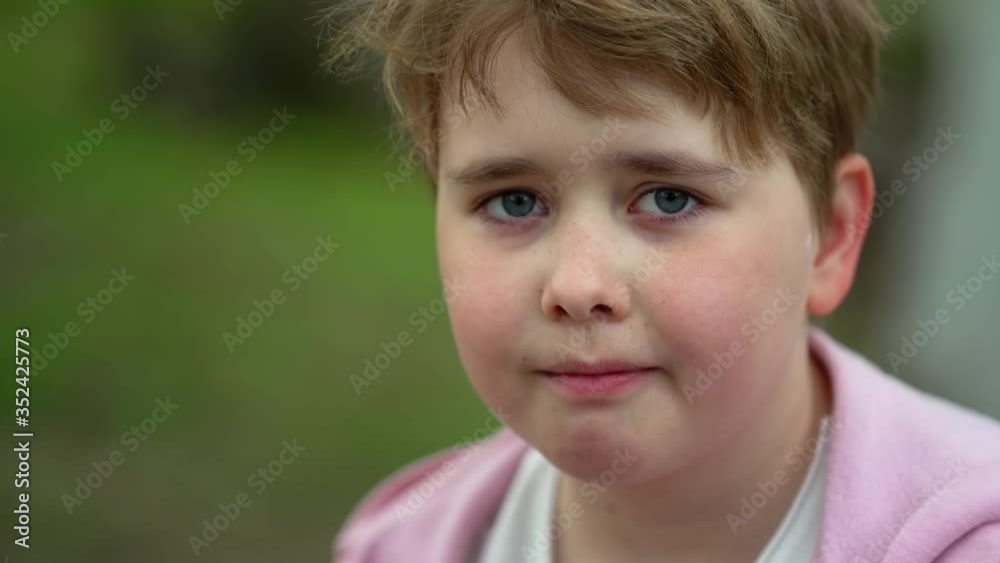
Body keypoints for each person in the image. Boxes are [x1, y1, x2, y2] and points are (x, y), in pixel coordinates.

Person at [324, 1, 1000, 561]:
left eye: (668, 199)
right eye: (514, 201)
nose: (577, 286)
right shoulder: (401, 544)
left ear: (830, 234)